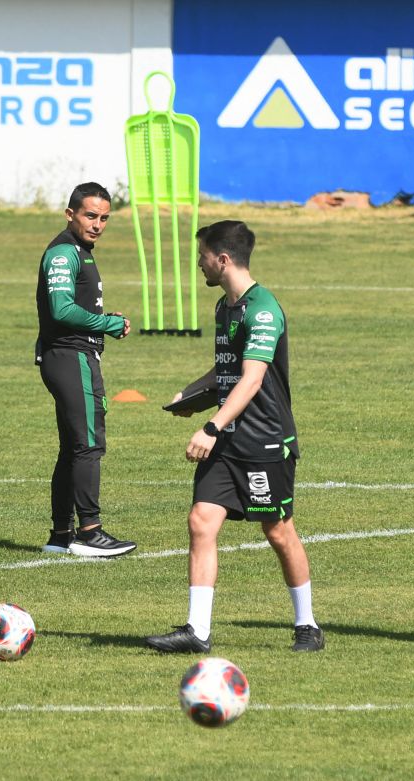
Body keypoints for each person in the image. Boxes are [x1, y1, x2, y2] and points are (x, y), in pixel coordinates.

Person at [145, 220, 324, 653]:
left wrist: (210, 426)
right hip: (228, 440)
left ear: (222, 260)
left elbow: (251, 379)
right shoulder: (226, 307)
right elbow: (225, 372)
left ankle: (307, 626)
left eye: (202, 256)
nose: (198, 264)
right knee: (201, 521)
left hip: (264, 440)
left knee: (278, 531)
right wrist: (193, 394)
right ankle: (197, 631)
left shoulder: (263, 309)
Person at [35, 182, 136, 557]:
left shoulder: (80, 251)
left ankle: (61, 534)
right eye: (90, 216)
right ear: (70, 214)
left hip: (69, 356)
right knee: (89, 444)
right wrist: (107, 323)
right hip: (71, 356)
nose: (97, 224)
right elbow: (61, 309)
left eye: (104, 218)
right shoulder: (64, 253)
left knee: (73, 448)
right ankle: (90, 532)